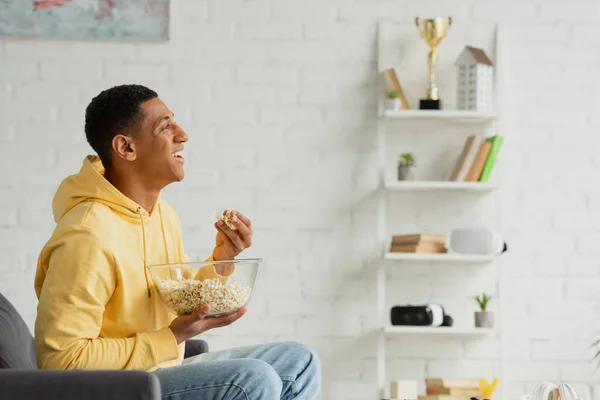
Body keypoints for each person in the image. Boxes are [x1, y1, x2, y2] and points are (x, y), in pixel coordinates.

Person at [33, 84, 321, 399]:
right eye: (166, 127)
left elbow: (181, 298)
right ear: (126, 148)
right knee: (253, 378)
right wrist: (171, 337)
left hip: (163, 368)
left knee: (299, 361)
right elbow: (60, 362)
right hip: (118, 389)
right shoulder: (86, 236)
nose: (182, 135)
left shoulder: (162, 215)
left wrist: (223, 259)